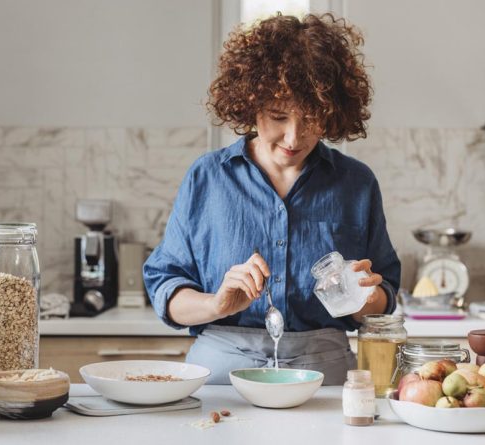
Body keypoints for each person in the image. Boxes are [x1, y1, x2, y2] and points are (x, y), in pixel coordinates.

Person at [143, 13, 400, 385]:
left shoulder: (356, 183)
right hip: (221, 365)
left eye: (311, 119)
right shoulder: (208, 177)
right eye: (278, 116)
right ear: (251, 105)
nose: (293, 138)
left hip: (324, 365)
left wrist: (367, 298)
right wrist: (215, 303)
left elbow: (384, 297)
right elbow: (166, 287)